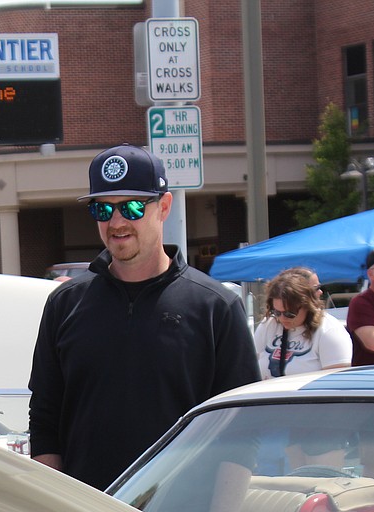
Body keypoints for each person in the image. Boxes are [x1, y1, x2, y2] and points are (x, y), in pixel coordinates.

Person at [28, 144, 259, 491]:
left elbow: (241, 436)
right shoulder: (64, 304)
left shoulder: (216, 308)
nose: (117, 222)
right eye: (102, 209)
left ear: (163, 207)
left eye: (132, 207)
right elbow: (45, 424)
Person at [253, 268, 351, 378]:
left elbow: (336, 383)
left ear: (307, 306)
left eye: (290, 313)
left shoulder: (330, 330)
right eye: (277, 312)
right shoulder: (269, 324)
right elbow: (250, 367)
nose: (282, 318)